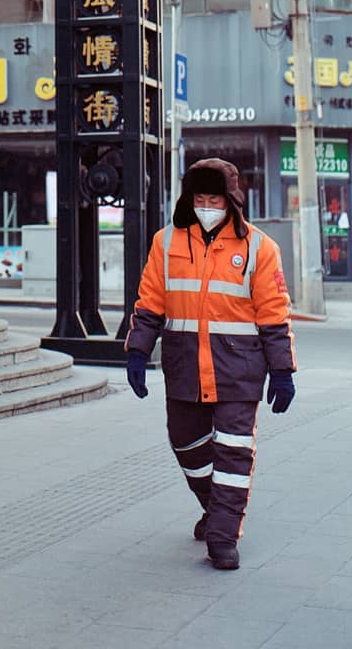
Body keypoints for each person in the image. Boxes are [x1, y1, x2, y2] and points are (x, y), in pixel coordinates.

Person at [124, 158, 297, 571]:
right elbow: (150, 302)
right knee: (185, 443)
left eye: (213, 198)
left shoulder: (259, 248)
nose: (206, 205)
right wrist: (137, 349)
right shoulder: (166, 243)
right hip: (184, 364)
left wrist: (283, 369)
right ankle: (216, 506)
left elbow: (273, 313)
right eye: (199, 198)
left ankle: (223, 537)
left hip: (238, 367)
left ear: (230, 201)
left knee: (235, 452)